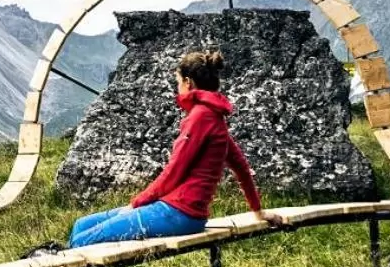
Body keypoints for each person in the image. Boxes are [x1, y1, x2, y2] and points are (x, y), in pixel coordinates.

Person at [68, 49, 265, 248]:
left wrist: (135, 204)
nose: (177, 88)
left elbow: (173, 173)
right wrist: (258, 212)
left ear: (188, 82)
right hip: (178, 210)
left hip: (179, 212)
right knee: (81, 225)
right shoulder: (214, 117)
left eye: (178, 82)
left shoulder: (201, 117)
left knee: (81, 240)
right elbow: (241, 167)